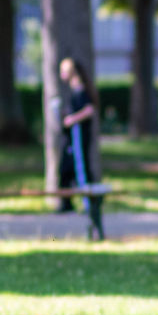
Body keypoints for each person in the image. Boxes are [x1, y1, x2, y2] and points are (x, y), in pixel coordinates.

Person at [58, 57, 100, 217]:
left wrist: (72, 119)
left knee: (81, 169)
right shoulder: (75, 90)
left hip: (79, 136)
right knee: (65, 169)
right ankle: (66, 203)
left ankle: (89, 203)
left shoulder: (81, 90)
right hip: (71, 137)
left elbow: (89, 110)